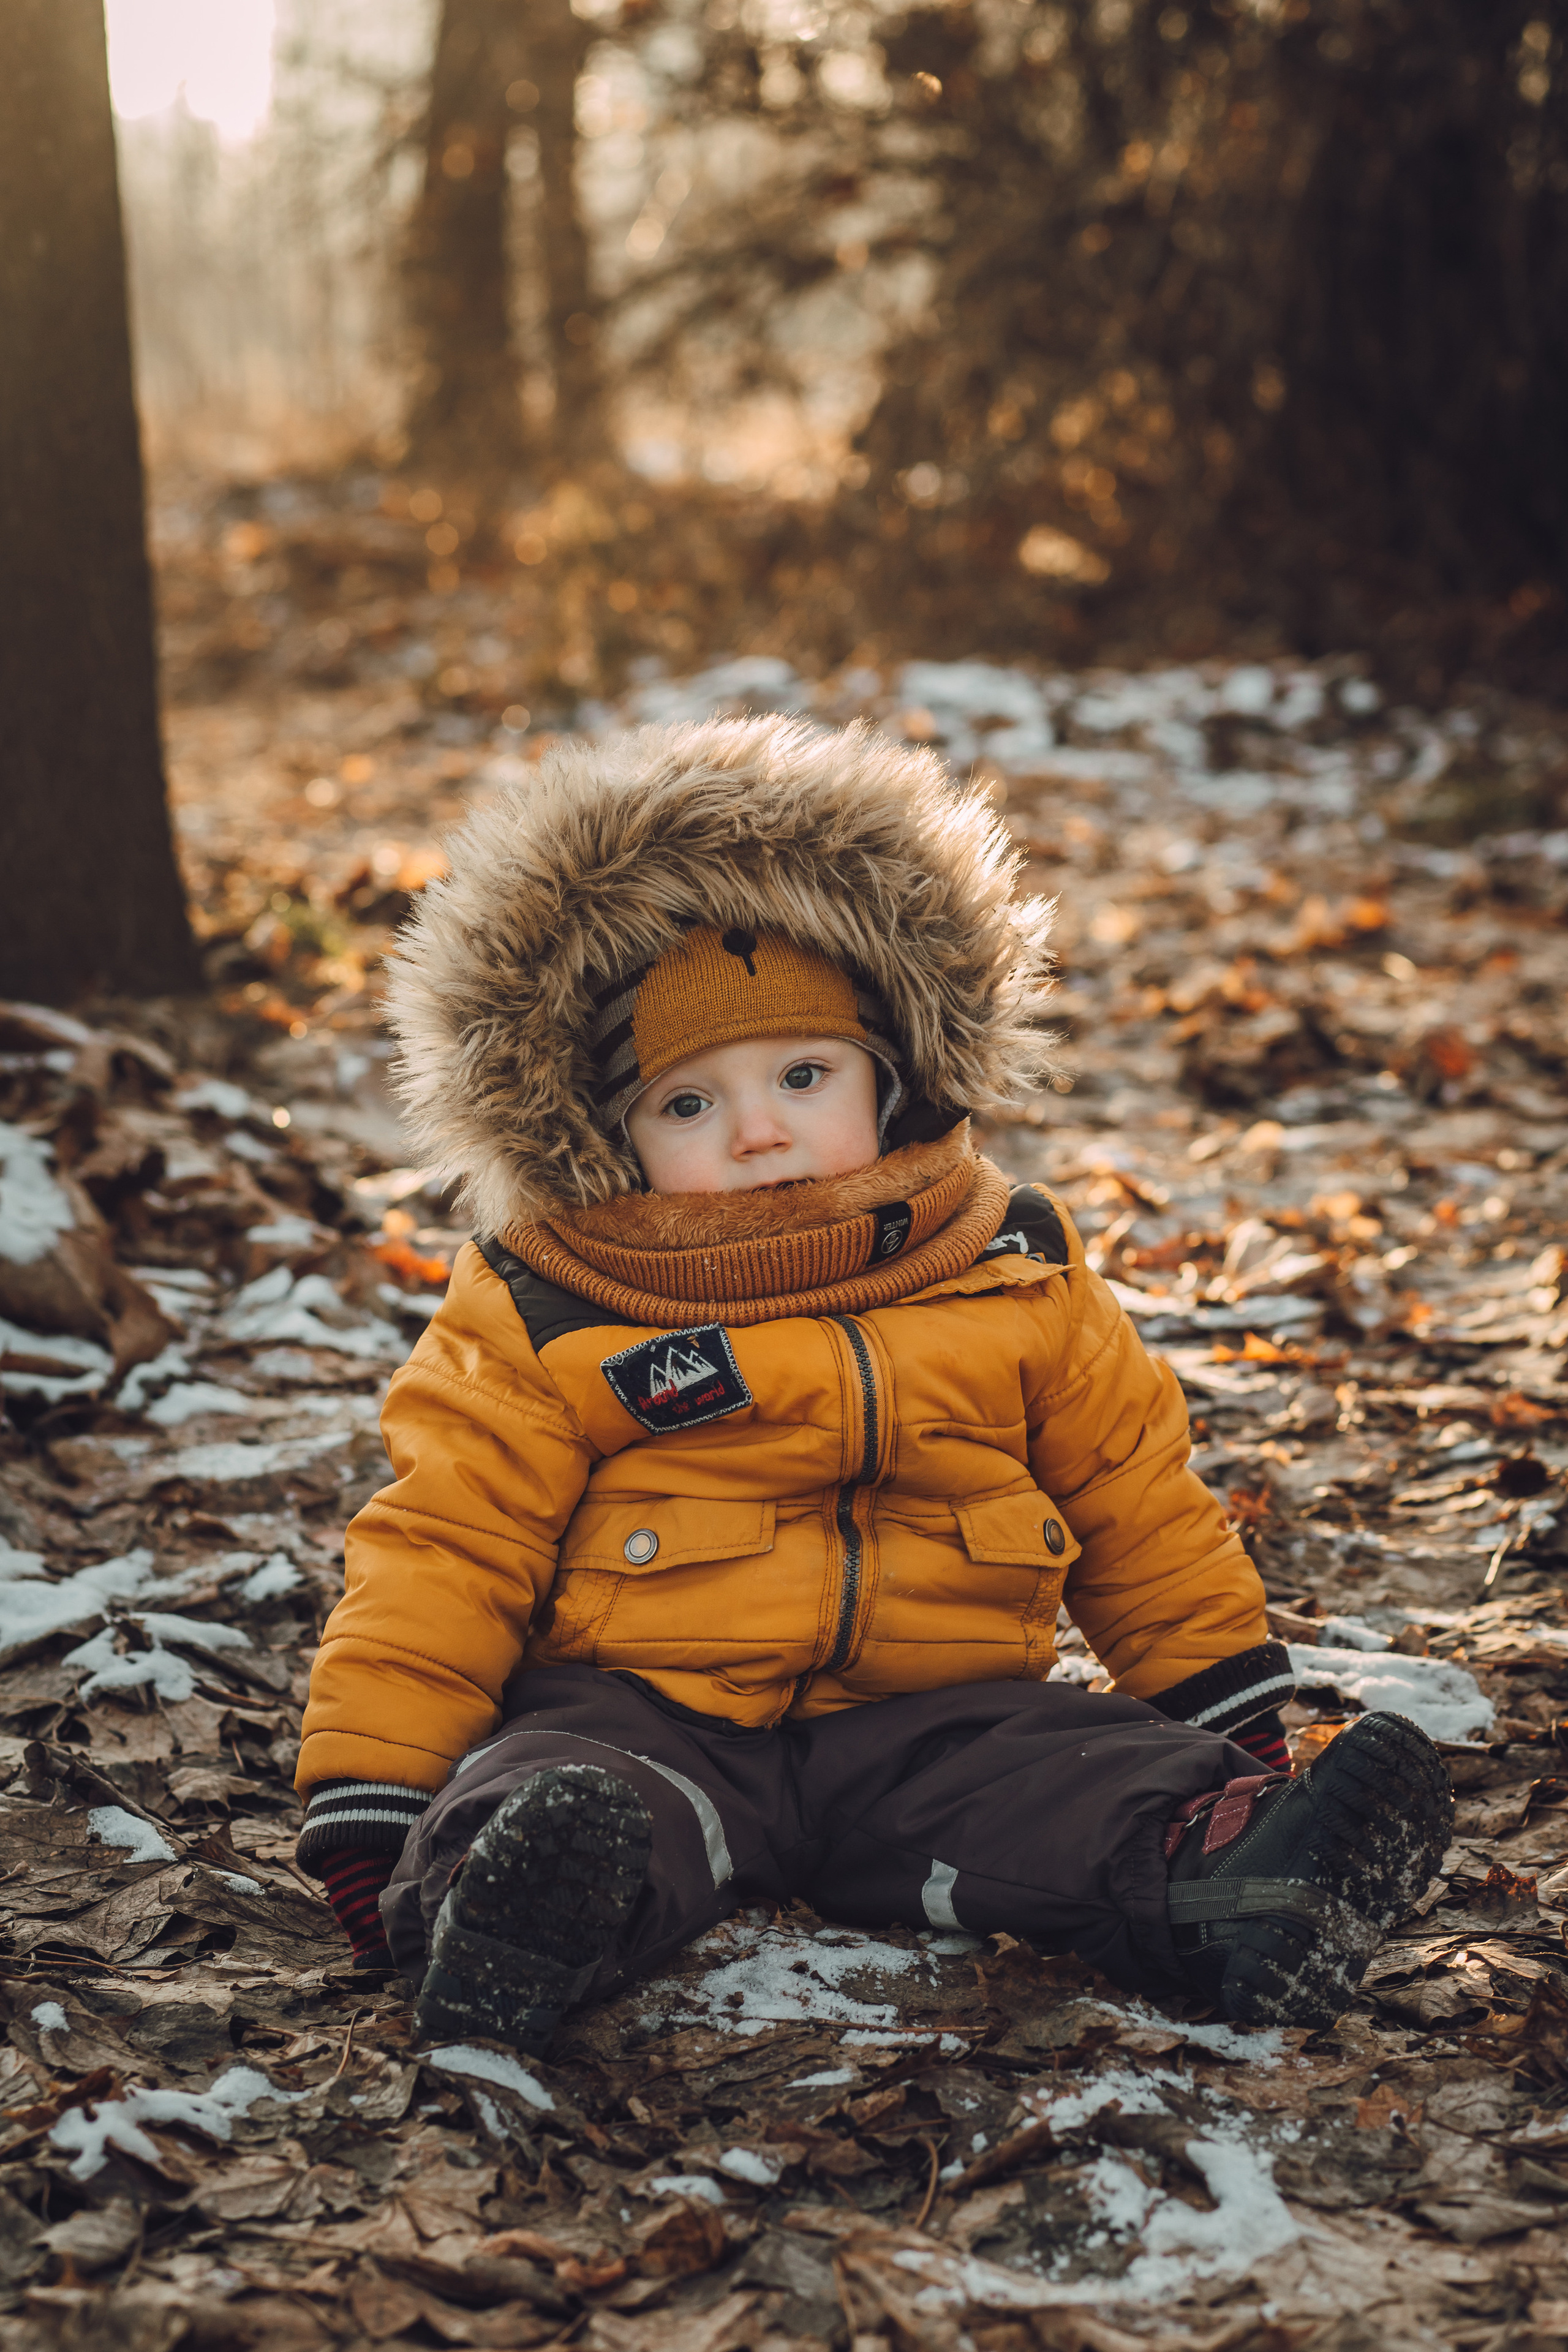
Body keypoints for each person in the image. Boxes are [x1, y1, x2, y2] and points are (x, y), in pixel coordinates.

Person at [296, 714, 1449, 2051]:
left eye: (803, 1075)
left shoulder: (1008, 1265)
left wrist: (1228, 1711)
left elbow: (1135, 1501)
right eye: (687, 1104)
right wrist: (372, 1796)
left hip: (940, 1720)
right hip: (649, 1711)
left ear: (890, 1077)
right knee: (560, 1789)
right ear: (605, 1134)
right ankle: (506, 1915)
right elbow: (448, 1546)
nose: (760, 1130)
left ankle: (1243, 1877)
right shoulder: (553, 1299)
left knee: (1094, 1783)